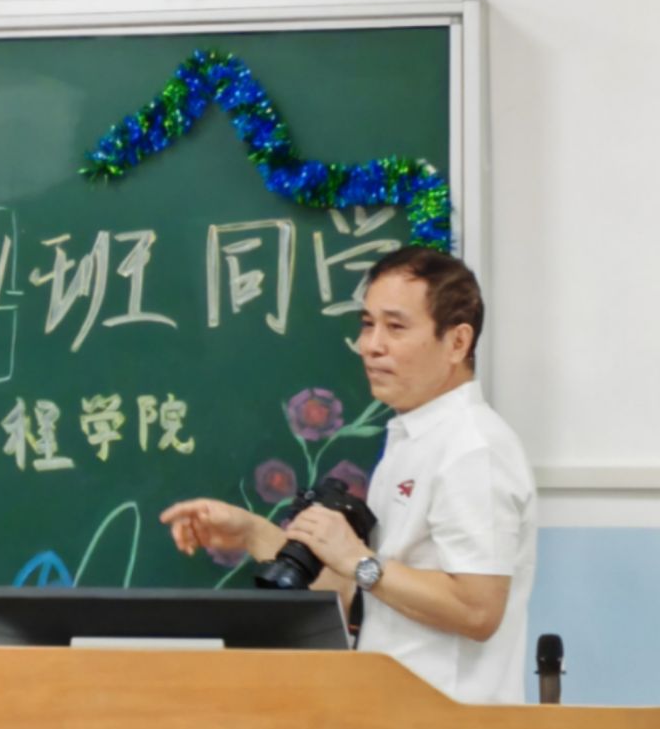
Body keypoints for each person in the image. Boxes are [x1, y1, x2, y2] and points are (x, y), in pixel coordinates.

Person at [160, 246, 537, 704]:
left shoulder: (473, 448)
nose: (370, 345)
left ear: (457, 342)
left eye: (395, 327)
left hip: (452, 726)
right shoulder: (411, 439)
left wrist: (359, 560)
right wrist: (252, 533)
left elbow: (477, 609)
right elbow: (360, 587)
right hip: (392, 717)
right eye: (367, 324)